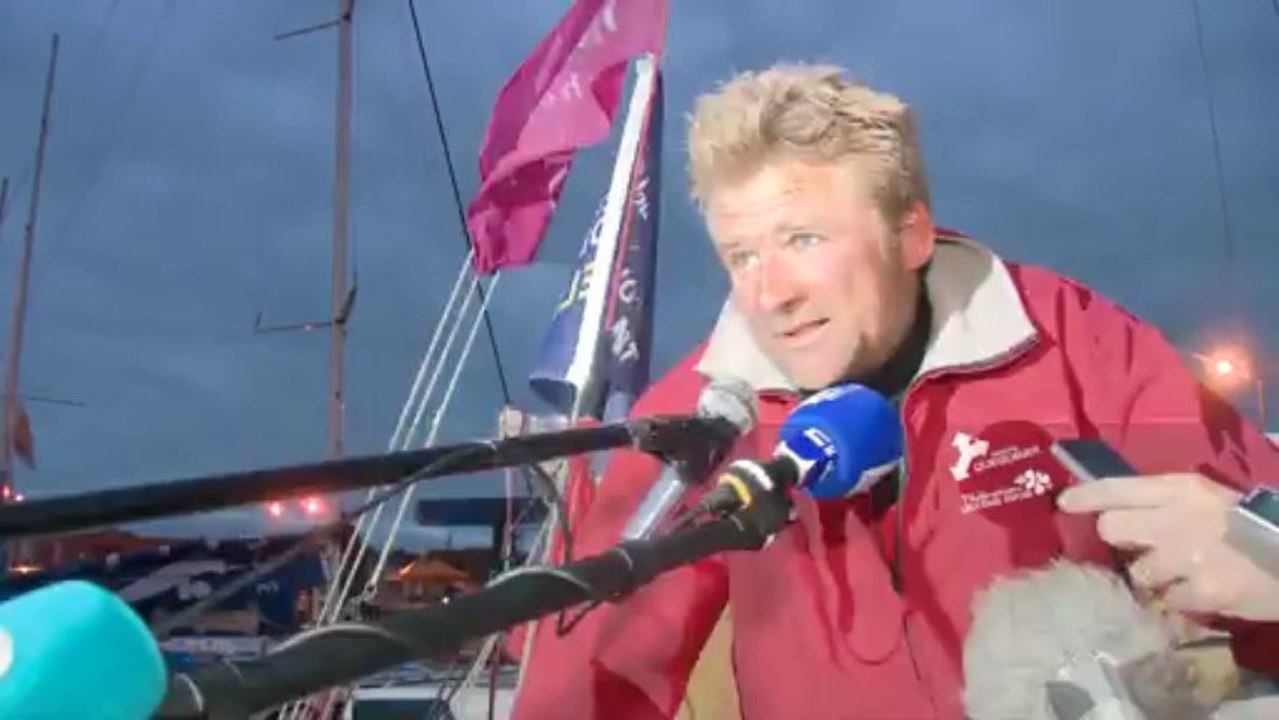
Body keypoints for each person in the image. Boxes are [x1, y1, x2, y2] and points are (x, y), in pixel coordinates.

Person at [509, 63, 1279, 720]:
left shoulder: (1076, 344)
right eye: (739, 255)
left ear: (910, 235)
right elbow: (586, 678)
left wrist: (1269, 575)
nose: (766, 293)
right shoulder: (699, 418)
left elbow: (1252, 539)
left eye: (801, 239)